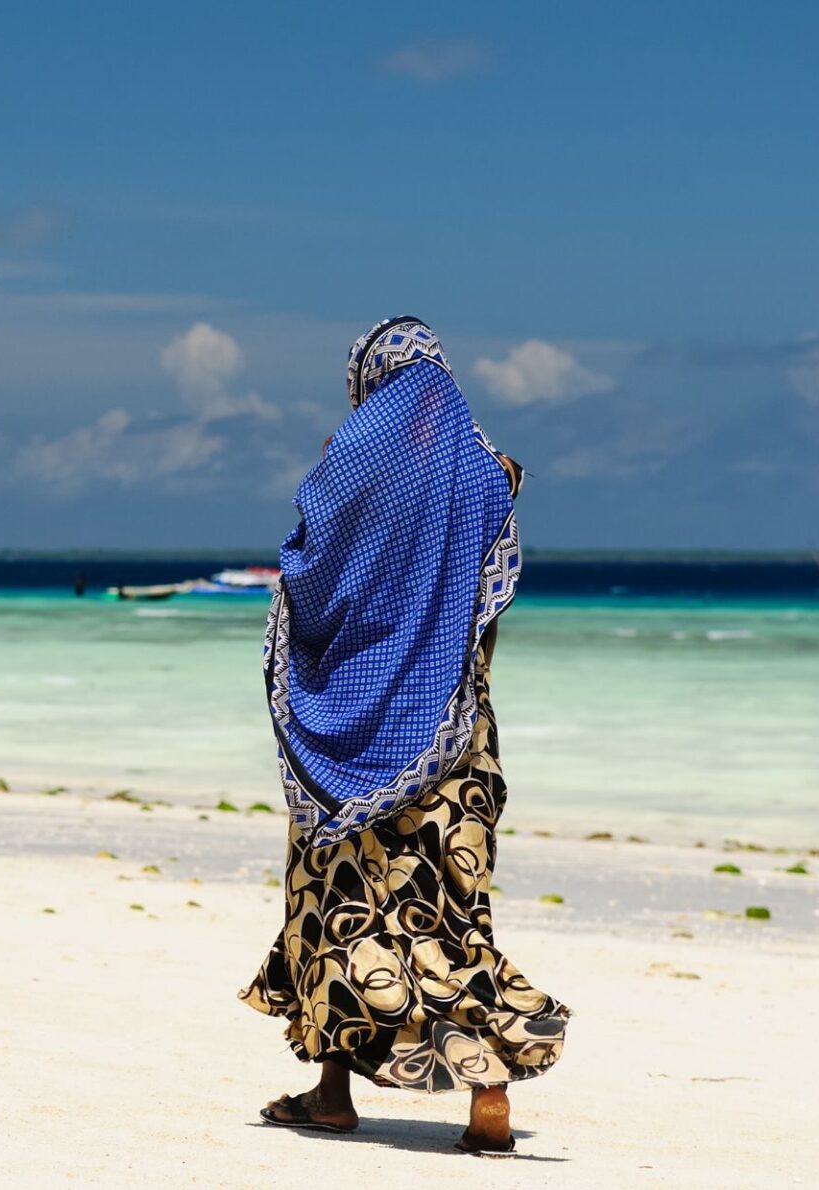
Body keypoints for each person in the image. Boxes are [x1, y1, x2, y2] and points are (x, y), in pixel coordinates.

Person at [240, 317, 569, 1154]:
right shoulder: (491, 473)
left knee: (336, 904)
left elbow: (306, 576)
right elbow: (489, 600)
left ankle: (332, 1093)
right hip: (457, 738)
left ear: (368, 385)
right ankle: (487, 1093)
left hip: (350, 738)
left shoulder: (345, 462)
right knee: (451, 911)